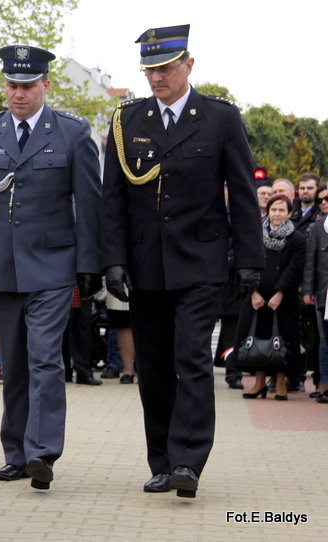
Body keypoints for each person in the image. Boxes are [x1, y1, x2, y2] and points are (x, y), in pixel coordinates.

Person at [101, 25, 264, 499]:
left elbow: (243, 193)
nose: (157, 78)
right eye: (149, 70)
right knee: (152, 365)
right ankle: (163, 460)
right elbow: (112, 199)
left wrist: (249, 260)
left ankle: (189, 461)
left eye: (165, 68)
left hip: (202, 262)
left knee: (191, 357)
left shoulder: (218, 118)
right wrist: (113, 260)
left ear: (188, 65)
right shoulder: (127, 121)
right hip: (146, 265)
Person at [0, 44, 102, 491]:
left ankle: (42, 452)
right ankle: (16, 453)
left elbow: (89, 202)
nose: (18, 93)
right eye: (12, 85)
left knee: (45, 359)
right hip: (1, 263)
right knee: (14, 365)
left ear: (45, 85)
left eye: (27, 86)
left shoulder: (71, 132)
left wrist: (89, 265)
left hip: (53, 265)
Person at [238, 195, 305, 400]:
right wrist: (253, 292)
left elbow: (295, 268)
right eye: (273, 210)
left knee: (282, 341)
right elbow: (246, 263)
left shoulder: (297, 238)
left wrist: (280, 292)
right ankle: (259, 383)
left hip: (283, 298)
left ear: (289, 213)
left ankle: (280, 382)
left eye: (281, 210)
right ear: (268, 211)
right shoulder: (256, 234)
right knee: (258, 340)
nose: (277, 214)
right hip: (258, 297)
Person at [302, 197, 328, 399]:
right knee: (323, 339)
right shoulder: (319, 227)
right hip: (323, 292)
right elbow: (310, 261)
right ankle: (324, 382)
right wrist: (308, 290)